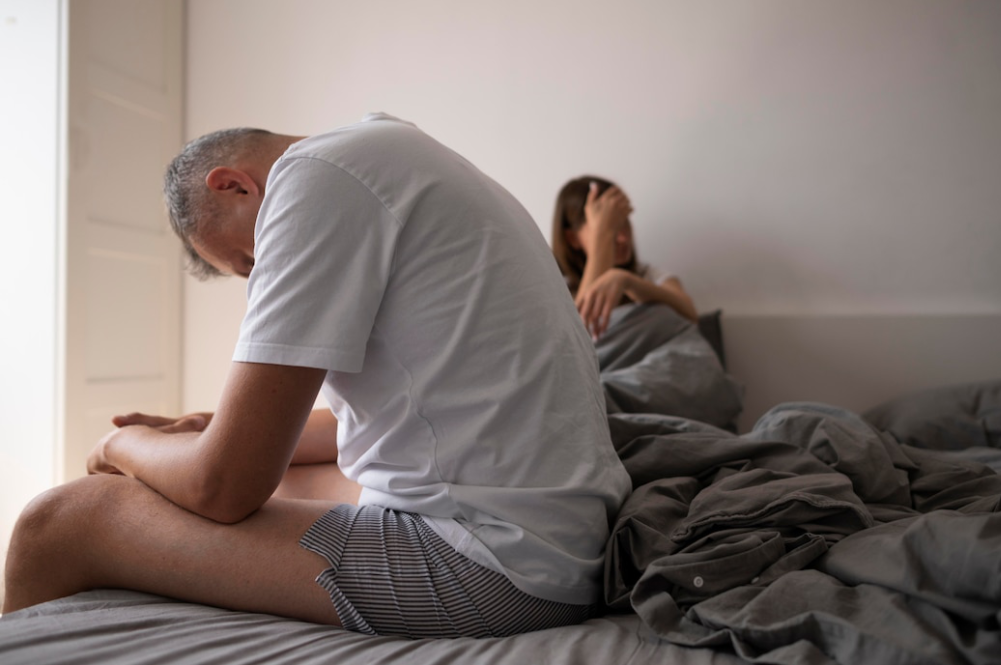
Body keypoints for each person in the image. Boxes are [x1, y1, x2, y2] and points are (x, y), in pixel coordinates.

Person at [3, 114, 632, 639]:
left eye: (247, 261)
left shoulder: (314, 181)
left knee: (61, 520)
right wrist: (214, 427)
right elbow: (412, 419)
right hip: (565, 543)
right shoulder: (394, 151)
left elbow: (223, 487)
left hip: (496, 569)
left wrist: (120, 446)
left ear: (231, 185)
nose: (257, 274)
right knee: (294, 475)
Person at [551, 175, 698, 339]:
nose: (623, 238)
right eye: (610, 227)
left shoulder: (648, 275)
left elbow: (691, 315)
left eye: (624, 223)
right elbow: (574, 341)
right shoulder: (555, 289)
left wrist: (628, 282)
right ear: (573, 239)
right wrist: (604, 239)